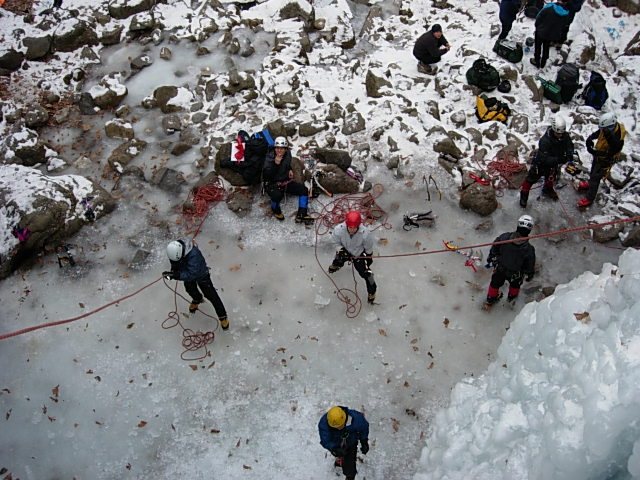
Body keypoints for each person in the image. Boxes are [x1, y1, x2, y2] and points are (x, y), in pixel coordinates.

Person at [163, 237, 229, 330]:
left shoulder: (194, 255)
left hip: (201, 274)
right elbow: (175, 264)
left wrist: (177, 275)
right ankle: (197, 299)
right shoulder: (174, 250)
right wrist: (172, 273)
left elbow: (192, 274)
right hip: (186, 273)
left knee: (211, 295)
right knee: (190, 289)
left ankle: (223, 317)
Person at [519, 113, 574, 207]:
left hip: (554, 162)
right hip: (541, 164)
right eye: (558, 133)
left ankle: (548, 189)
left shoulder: (564, 136)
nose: (560, 135)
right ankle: (523, 197)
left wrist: (569, 153)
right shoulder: (545, 141)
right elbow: (544, 159)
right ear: (553, 130)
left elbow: (569, 145)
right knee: (530, 180)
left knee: (551, 177)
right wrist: (560, 159)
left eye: (562, 133)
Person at [484, 215, 536, 307]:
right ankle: (511, 299)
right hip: (516, 274)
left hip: (500, 269)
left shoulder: (504, 238)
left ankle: (490, 299)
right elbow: (529, 265)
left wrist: (491, 258)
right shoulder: (529, 250)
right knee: (515, 286)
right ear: (529, 230)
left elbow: (495, 248)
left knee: (495, 283)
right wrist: (530, 274)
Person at [576, 112, 626, 208]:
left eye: (604, 129)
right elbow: (599, 133)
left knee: (595, 178)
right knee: (593, 172)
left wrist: (595, 152)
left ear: (610, 126)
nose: (603, 130)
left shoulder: (617, 139)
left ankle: (589, 198)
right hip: (599, 156)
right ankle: (589, 184)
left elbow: (610, 153)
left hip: (605, 161)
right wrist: (590, 139)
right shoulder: (607, 128)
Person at [328, 211, 377, 304]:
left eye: (355, 228)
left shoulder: (365, 233)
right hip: (344, 251)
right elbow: (335, 242)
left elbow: (368, 247)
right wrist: (341, 250)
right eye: (350, 227)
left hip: (358, 255)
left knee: (367, 274)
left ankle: (372, 292)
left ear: (358, 226)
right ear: (346, 224)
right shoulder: (338, 230)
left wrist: (368, 257)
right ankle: (335, 266)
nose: (352, 230)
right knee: (338, 259)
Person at [262, 136, 313, 224]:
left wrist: (290, 169)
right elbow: (266, 176)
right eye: (277, 148)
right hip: (272, 183)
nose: (279, 150)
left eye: (282, 148)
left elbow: (287, 163)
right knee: (277, 196)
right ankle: (276, 210)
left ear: (286, 149)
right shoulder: (269, 158)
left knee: (304, 190)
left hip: (285, 181)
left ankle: (302, 214)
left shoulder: (288, 153)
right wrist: (275, 164)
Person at [318, 406, 370, 480]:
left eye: (341, 425)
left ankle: (350, 476)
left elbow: (364, 428)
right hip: (336, 444)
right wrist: (334, 449)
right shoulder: (324, 424)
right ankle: (339, 462)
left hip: (351, 442)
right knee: (340, 455)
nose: (339, 428)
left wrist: (364, 441)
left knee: (349, 467)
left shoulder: (356, 418)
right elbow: (325, 441)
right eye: (336, 427)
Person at [530, 0, 571, 68]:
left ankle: (536, 60)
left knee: (538, 46)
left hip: (541, 31)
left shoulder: (549, 7)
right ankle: (543, 62)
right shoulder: (566, 14)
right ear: (566, 2)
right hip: (552, 35)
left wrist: (537, 27)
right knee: (546, 47)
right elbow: (563, 26)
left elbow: (539, 17)